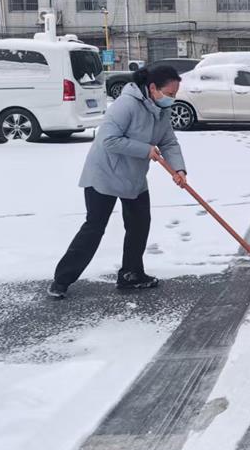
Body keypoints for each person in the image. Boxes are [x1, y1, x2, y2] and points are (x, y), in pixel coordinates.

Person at [48, 65, 188, 298]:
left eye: (175, 95)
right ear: (153, 88)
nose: (172, 99)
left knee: (139, 224)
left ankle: (131, 274)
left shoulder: (161, 111)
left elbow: (169, 142)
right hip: (104, 173)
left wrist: (179, 169)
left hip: (133, 176)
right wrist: (144, 150)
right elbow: (109, 140)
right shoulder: (127, 105)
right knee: (94, 227)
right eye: (170, 94)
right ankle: (61, 280)